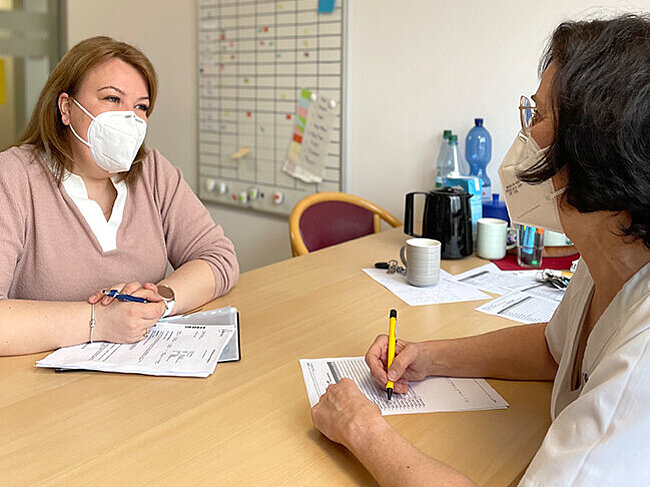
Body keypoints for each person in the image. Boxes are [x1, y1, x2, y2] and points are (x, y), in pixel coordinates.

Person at [311, 14, 650, 486]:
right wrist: (429, 356)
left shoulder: (641, 368)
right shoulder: (612, 254)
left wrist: (362, 428)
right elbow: (556, 351)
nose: (527, 135)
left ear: (598, 148)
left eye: (540, 115)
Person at [0, 36, 239, 356]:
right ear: (67, 108)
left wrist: (159, 298)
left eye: (140, 106)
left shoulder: (152, 171)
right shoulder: (13, 177)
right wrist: (99, 321)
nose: (130, 118)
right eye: (112, 99)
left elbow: (218, 258)